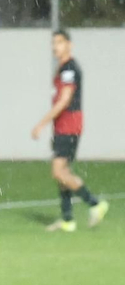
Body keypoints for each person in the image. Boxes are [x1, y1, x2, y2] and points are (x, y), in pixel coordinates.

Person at [32, 29, 107, 232]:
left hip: (69, 126)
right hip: (64, 126)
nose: (55, 46)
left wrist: (42, 123)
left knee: (58, 171)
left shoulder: (69, 69)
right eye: (53, 43)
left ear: (69, 45)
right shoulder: (63, 67)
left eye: (60, 42)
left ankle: (95, 203)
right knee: (63, 172)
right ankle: (67, 220)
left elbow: (65, 100)